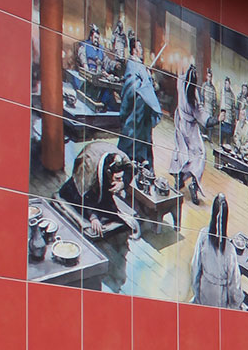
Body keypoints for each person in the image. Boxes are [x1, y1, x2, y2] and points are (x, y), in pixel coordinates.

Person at [57, 143, 136, 240]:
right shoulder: (90, 170)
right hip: (85, 174)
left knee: (110, 208)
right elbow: (85, 192)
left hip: (102, 167)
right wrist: (93, 217)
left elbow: (130, 169)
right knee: (78, 201)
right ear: (109, 173)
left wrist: (122, 183)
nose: (118, 181)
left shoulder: (122, 158)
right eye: (117, 178)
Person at [189, 193, 245, 309]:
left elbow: (195, 267)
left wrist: (196, 291)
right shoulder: (229, 249)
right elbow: (234, 284)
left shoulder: (205, 236)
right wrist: (235, 304)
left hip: (205, 292)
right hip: (217, 296)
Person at [117, 36, 162, 171]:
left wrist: (149, 80)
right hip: (136, 114)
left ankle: (146, 172)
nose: (142, 50)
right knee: (131, 144)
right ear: (133, 50)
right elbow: (131, 88)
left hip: (144, 114)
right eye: (139, 48)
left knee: (145, 144)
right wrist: (145, 82)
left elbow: (148, 86)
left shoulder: (140, 65)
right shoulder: (132, 65)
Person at [168, 61, 206, 203]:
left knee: (181, 151)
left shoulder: (181, 82)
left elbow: (181, 74)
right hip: (190, 129)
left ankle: (179, 178)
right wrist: (215, 120)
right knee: (200, 154)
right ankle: (193, 185)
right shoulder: (194, 95)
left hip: (181, 123)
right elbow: (202, 116)